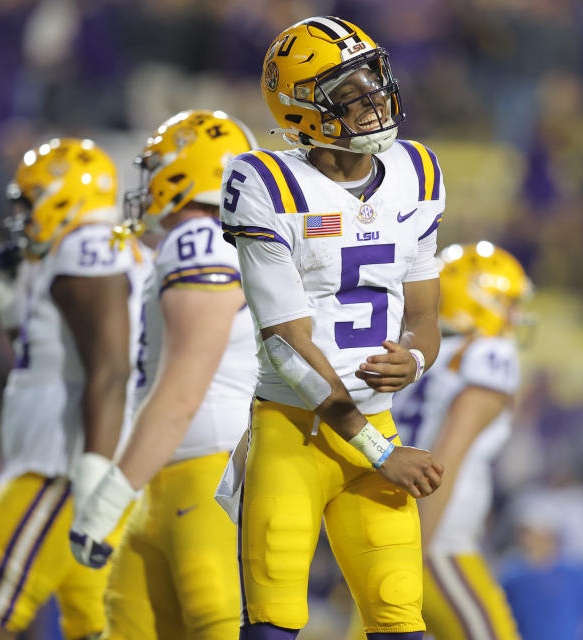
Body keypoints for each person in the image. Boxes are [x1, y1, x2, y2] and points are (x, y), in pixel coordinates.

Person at [219, 16, 445, 640]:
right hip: (295, 431)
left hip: (377, 421)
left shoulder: (416, 171)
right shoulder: (265, 183)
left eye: (374, 81)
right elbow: (287, 346)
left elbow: (426, 317)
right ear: (301, 108)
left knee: (401, 620)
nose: (373, 98)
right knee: (275, 624)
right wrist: (381, 454)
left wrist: (417, 361)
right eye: (349, 91)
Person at [68, 109, 259, 639]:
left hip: (207, 474)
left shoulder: (198, 238)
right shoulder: (204, 241)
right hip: (171, 477)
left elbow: (182, 392)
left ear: (184, 170)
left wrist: (110, 495)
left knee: (215, 623)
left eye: (156, 167)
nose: (146, 181)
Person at [0, 138, 149, 639]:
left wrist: (91, 475)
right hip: (75, 463)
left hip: (63, 470)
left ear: (62, 196)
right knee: (96, 625)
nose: (20, 214)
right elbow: (53, 359)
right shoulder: (90, 251)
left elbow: (110, 366)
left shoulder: (87, 244)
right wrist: (12, 313)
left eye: (29, 199)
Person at [389, 241, 529, 639]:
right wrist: (411, 559)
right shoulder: (486, 355)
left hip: (395, 536)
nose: (517, 315)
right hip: (435, 544)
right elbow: (443, 460)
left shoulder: (422, 355)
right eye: (511, 303)